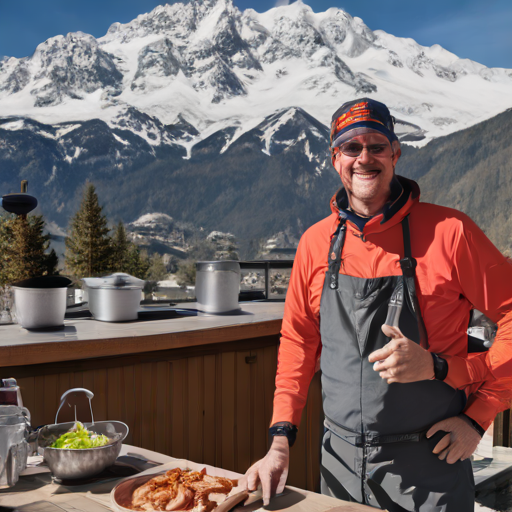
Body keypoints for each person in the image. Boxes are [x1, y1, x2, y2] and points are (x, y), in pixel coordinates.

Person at [241, 98, 512, 511]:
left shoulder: (450, 232)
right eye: (352, 147)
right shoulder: (316, 242)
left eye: (377, 146)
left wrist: (478, 415)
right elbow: (298, 340)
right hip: (339, 464)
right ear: (335, 159)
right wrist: (281, 439)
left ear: (395, 154)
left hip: (432, 462)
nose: (364, 158)